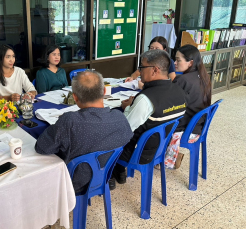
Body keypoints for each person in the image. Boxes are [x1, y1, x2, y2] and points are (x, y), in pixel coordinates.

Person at [35, 70, 133, 192]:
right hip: (106, 175)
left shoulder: (69, 121)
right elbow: (127, 140)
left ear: (75, 97)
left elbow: (41, 147)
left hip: (72, 182)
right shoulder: (119, 117)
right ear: (103, 92)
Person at [112, 50, 187, 184]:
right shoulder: (179, 91)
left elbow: (124, 129)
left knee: (105, 132)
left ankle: (110, 174)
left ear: (154, 70)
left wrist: (127, 108)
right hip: (160, 148)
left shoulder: (145, 99)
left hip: (138, 152)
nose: (139, 71)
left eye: (142, 67)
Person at [164, 45, 212, 169]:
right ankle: (172, 154)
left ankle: (158, 158)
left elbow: (168, 104)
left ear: (190, 62)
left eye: (178, 60)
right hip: (198, 127)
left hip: (185, 129)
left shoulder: (183, 80)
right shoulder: (203, 77)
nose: (175, 63)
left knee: (153, 122)